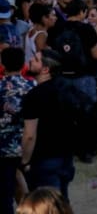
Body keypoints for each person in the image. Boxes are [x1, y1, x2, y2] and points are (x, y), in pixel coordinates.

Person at [20, 50, 76, 201]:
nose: (30, 60)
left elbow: (29, 135)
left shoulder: (34, 96)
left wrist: (24, 161)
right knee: (62, 202)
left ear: (45, 69)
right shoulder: (66, 90)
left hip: (44, 159)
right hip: (65, 156)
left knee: (47, 205)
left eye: (36, 59)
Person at [0, 48, 32, 214]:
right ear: (23, 64)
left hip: (3, 148)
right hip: (28, 146)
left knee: (5, 195)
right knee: (31, 190)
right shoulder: (32, 86)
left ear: (3, 64)